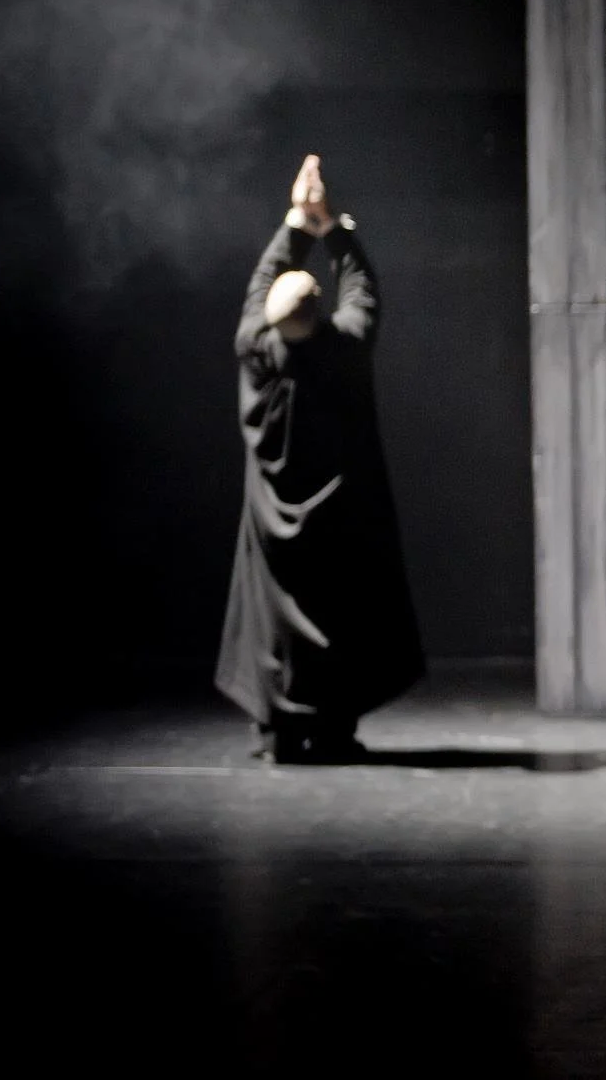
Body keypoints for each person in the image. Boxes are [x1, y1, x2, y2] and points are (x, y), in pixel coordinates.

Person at [215, 154, 425, 763]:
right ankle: (332, 729)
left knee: (274, 618)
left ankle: (279, 730)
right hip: (338, 525)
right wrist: (330, 228)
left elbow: (261, 287)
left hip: (272, 525)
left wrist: (296, 226)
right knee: (340, 611)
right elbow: (362, 289)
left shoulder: (255, 351)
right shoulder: (345, 351)